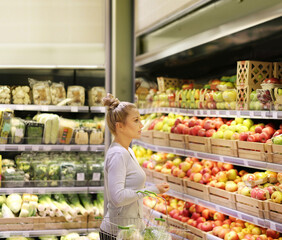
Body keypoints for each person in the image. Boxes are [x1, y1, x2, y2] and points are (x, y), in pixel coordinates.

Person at [99, 93, 170, 240]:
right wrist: (152, 190)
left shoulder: (128, 150)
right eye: (136, 120)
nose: (141, 125)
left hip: (129, 232)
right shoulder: (118, 154)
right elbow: (117, 197)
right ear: (120, 126)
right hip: (116, 234)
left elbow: (131, 195)